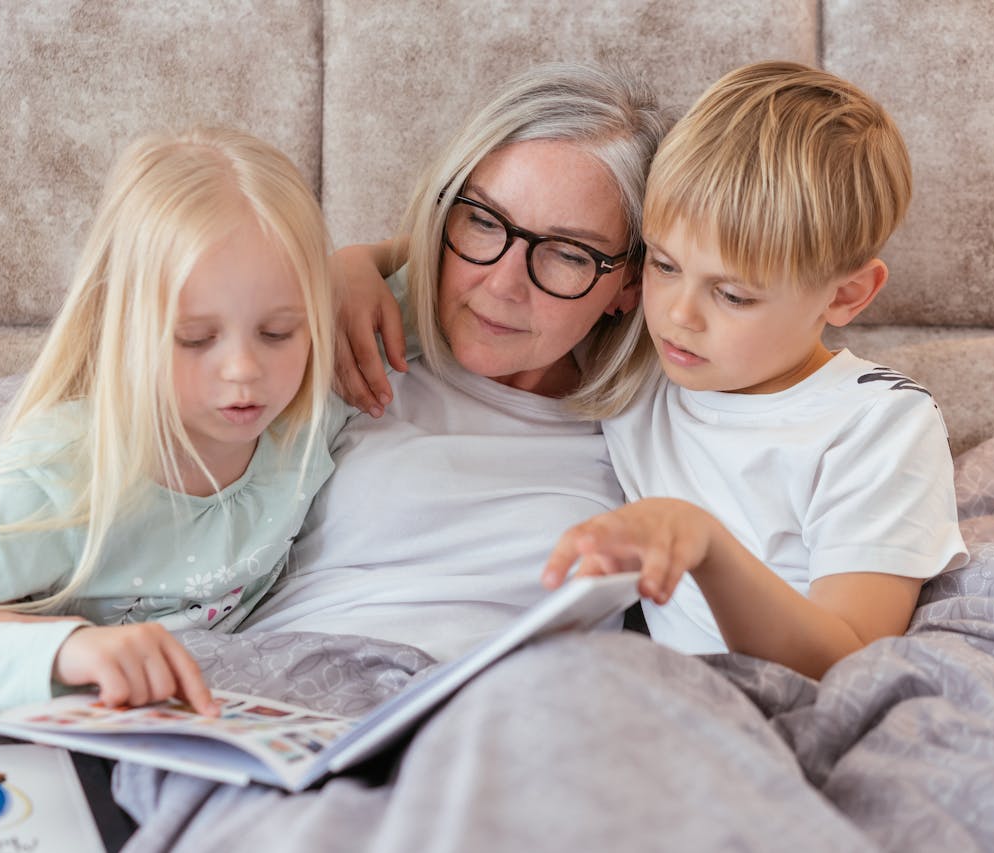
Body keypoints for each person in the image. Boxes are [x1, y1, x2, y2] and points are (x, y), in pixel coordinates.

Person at [0, 127, 341, 715]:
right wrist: (64, 652)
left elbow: (436, 282)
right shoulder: (61, 471)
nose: (244, 371)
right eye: (194, 339)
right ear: (123, 329)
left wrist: (361, 266)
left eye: (279, 332)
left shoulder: (309, 410)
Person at [542, 61, 969, 678]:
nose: (678, 315)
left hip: (775, 710)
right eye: (663, 264)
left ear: (845, 297)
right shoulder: (641, 358)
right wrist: (368, 268)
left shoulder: (878, 424)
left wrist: (705, 545)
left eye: (733, 296)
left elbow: (850, 660)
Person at [238, 62, 670, 660]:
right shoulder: (356, 341)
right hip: (290, 687)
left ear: (629, 285)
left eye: (568, 254)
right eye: (485, 222)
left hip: (517, 714)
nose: (502, 284)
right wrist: (349, 266)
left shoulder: (661, 420)